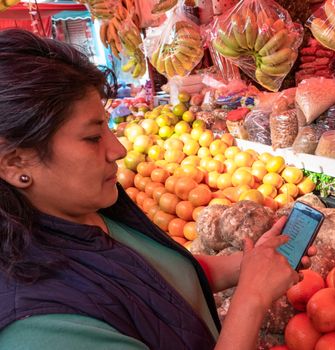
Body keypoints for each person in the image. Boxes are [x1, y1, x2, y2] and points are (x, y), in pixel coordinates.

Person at [0, 29, 314, 349]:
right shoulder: (40, 328)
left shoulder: (89, 211)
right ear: (15, 165)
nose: (118, 150)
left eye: (107, 128)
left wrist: (250, 265)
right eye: (92, 137)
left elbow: (158, 280)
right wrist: (252, 299)